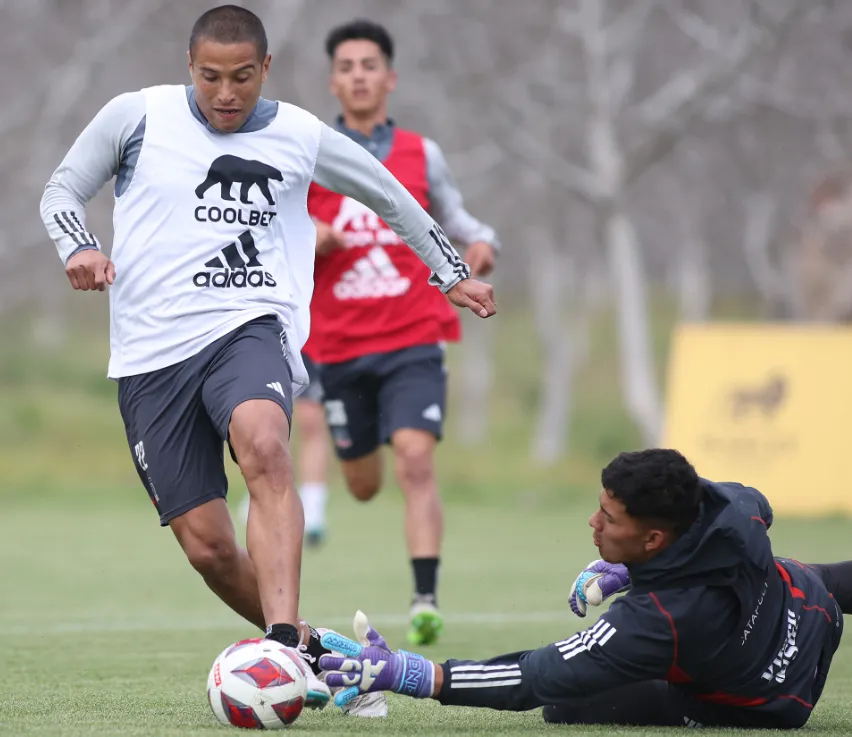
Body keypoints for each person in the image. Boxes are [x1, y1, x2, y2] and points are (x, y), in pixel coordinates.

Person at [38, 3, 494, 716]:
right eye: (211, 77)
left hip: (250, 328)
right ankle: (320, 655)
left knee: (264, 443)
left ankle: (280, 643)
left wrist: (449, 270)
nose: (226, 93)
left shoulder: (299, 134)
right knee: (208, 548)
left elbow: (387, 193)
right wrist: (80, 248)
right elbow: (62, 188)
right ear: (190, 67)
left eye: (242, 78)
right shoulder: (138, 116)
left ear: (266, 69)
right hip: (151, 355)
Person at [317, 449, 848, 730]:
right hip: (816, 606)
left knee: (567, 704)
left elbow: (534, 677)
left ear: (655, 537)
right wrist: (632, 569)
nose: (592, 522)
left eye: (609, 517)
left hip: (776, 702)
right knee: (810, 575)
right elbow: (760, 503)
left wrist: (412, 673)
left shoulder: (653, 622)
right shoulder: (726, 505)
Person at [306, 19, 501, 647]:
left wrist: (480, 246)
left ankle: (425, 597)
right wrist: (310, 239)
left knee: (417, 459)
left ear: (389, 78)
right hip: (337, 346)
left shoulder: (423, 154)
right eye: (346, 66)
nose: (358, 75)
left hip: (415, 335)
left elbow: (464, 221)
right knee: (363, 486)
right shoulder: (305, 152)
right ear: (333, 80)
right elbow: (270, 231)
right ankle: (356, 458)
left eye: (370, 65)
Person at [238, 353, 329, 548]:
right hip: (269, 335)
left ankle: (313, 510)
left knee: (310, 419)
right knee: (268, 418)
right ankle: (259, 491)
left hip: (309, 341)